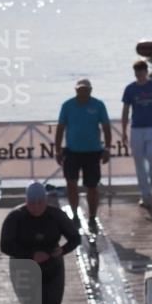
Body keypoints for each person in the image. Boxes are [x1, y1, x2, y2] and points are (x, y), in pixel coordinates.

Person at [0, 182, 80, 304]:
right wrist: (30, 255)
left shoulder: (55, 215)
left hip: (52, 268)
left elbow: (75, 238)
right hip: (24, 268)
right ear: (26, 201)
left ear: (46, 201)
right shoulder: (15, 216)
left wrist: (61, 250)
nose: (36, 207)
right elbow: (5, 245)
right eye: (31, 203)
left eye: (40, 203)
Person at [54, 78, 112, 234]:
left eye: (85, 90)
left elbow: (106, 127)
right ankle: (74, 214)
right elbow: (60, 127)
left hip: (93, 152)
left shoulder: (98, 105)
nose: (83, 93)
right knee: (71, 183)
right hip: (72, 152)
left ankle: (92, 217)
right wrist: (58, 149)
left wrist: (107, 148)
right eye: (80, 90)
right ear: (75, 90)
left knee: (92, 187)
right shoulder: (67, 105)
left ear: (90, 90)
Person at [121, 60, 152, 208]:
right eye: (137, 71)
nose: (139, 74)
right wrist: (123, 130)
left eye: (141, 71)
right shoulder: (130, 89)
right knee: (139, 163)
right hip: (136, 129)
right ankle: (145, 195)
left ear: (146, 71)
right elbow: (126, 110)